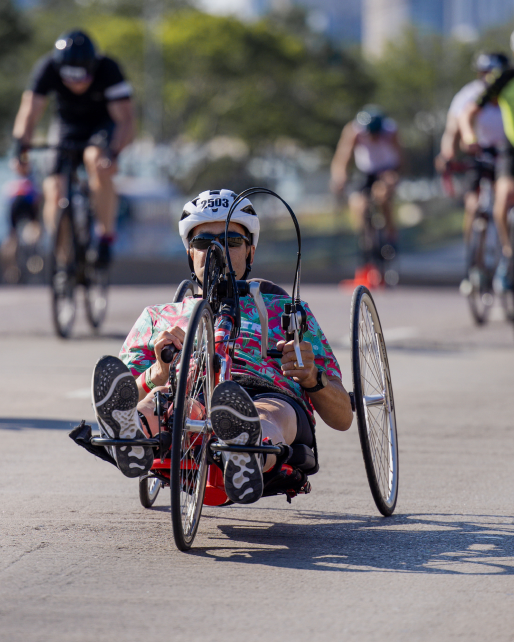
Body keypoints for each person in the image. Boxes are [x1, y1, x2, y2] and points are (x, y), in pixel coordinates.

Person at [90, 189, 353, 505]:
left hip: (267, 393)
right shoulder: (160, 317)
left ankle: (246, 452)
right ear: (190, 253)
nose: (216, 251)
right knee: (161, 402)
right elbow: (125, 388)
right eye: (203, 243)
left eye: (230, 242)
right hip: (188, 396)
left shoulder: (287, 309)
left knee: (266, 412)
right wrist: (159, 371)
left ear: (250, 252)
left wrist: (313, 379)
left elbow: (343, 418)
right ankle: (133, 436)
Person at [12, 30, 135, 266]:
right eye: (70, 78)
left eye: (82, 78)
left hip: (101, 125)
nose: (76, 84)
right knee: (53, 189)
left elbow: (126, 120)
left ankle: (104, 236)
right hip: (67, 126)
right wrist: (21, 148)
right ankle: (62, 256)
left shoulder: (108, 69)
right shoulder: (47, 66)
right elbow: (29, 111)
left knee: (96, 159)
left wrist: (115, 153)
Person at [436, 52, 508, 244]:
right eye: (485, 72)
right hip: (479, 151)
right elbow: (453, 128)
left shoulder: (509, 91)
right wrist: (448, 153)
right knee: (473, 205)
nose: (489, 76)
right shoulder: (469, 95)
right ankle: (473, 255)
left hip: (506, 152)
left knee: (505, 201)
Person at [460, 41, 514, 292]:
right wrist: (469, 138)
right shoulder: (503, 80)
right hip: (507, 150)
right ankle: (507, 257)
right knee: (503, 198)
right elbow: (467, 113)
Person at [330, 105, 402, 244]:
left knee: (382, 195)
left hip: (386, 169)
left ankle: (390, 233)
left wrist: (395, 176)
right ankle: (366, 239)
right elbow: (343, 157)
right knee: (358, 204)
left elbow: (401, 157)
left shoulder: (390, 131)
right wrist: (340, 177)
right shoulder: (354, 131)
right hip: (365, 171)